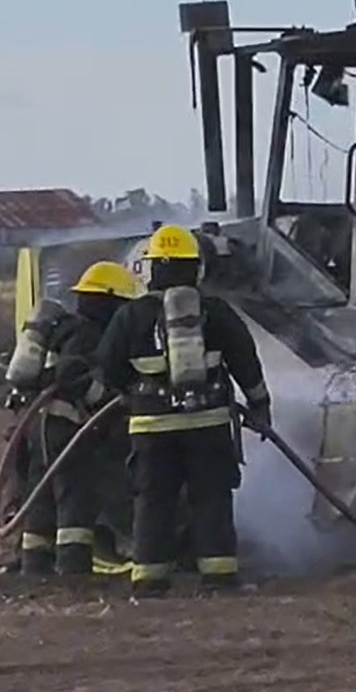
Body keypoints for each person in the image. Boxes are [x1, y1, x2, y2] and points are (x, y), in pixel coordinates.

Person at [94, 223, 271, 597]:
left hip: (150, 428)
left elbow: (107, 369)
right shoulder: (215, 312)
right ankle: (219, 578)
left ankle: (148, 581)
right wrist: (260, 406)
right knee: (211, 498)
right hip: (207, 424)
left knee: (153, 501)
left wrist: (132, 395)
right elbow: (246, 363)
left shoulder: (131, 316)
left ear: (153, 266)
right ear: (197, 267)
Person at [19, 260, 141, 576]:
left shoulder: (65, 327)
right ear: (110, 300)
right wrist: (106, 399)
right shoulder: (87, 333)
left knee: (42, 498)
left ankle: (35, 568)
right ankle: (74, 572)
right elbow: (71, 374)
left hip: (39, 426)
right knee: (76, 497)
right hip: (67, 426)